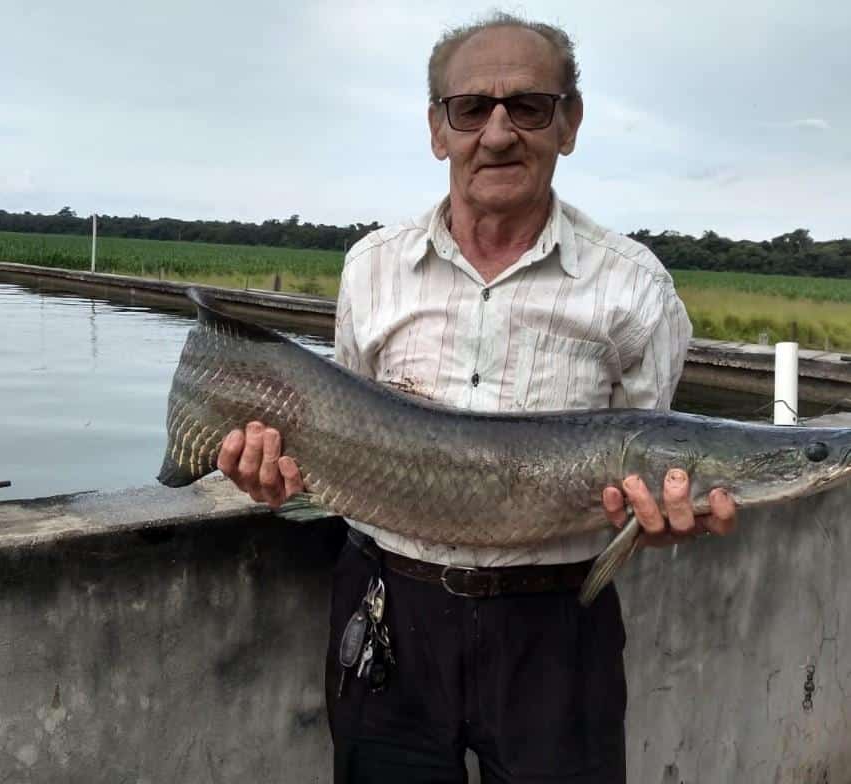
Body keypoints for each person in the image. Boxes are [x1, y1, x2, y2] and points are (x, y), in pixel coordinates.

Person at [218, 12, 736, 783]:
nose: (498, 133)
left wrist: (659, 520)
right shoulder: (371, 268)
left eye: (528, 106)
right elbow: (342, 436)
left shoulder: (636, 288)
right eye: (472, 109)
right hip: (388, 610)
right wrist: (279, 475)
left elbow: (648, 471)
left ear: (570, 124)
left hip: (558, 630)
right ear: (439, 129)